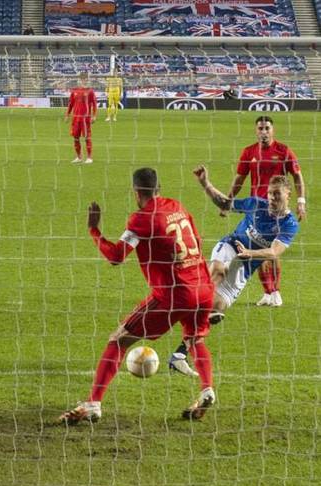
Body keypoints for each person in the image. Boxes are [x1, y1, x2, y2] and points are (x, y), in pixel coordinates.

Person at [58, 168, 216, 424]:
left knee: (118, 339)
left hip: (174, 294)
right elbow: (197, 240)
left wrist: (94, 230)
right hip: (204, 287)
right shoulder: (177, 205)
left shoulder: (141, 219)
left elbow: (116, 256)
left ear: (136, 192)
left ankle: (93, 403)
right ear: (159, 187)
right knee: (194, 340)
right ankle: (207, 389)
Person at [168, 168, 298, 376]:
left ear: (287, 195)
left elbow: (274, 252)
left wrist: (250, 253)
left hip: (245, 266)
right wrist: (205, 184)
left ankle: (179, 356)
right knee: (218, 271)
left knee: (216, 308)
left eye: (277, 194)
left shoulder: (289, 224)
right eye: (270, 193)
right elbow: (225, 203)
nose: (272, 198)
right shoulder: (256, 204)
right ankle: (182, 300)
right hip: (230, 246)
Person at [223, 116, 305, 307]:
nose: (264, 132)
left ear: (272, 130)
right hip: (256, 209)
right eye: (260, 128)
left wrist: (301, 201)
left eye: (267, 128)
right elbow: (239, 179)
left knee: (268, 251)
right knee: (259, 250)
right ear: (256, 131)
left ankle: (273, 291)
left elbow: (297, 176)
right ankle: (270, 293)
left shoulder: (283, 151)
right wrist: (227, 202)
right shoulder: (249, 152)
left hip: (277, 209)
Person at [65, 73, 96, 163]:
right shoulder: (74, 91)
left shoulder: (90, 91)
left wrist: (94, 116)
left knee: (87, 137)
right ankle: (79, 157)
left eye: (85, 79)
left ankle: (89, 157)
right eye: (82, 79)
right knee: (75, 137)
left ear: (87, 80)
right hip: (75, 118)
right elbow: (70, 104)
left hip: (85, 118)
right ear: (79, 80)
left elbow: (94, 104)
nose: (83, 80)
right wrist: (67, 115)